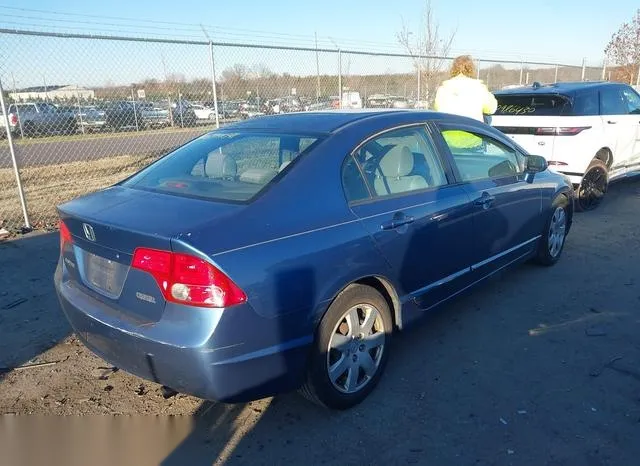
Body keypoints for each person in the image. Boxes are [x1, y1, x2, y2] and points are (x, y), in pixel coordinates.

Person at [434, 55, 497, 149]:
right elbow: (491, 109)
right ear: (471, 69)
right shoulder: (479, 88)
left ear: (453, 69)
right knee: (487, 117)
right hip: (473, 138)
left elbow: (437, 108)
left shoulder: (443, 89)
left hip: (447, 141)